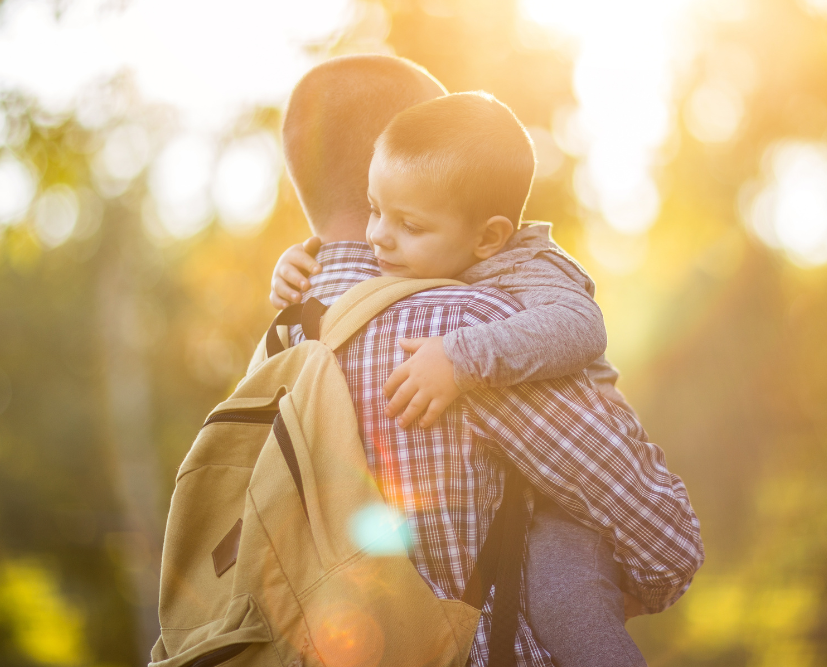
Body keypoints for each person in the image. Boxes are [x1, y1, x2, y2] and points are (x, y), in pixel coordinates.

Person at [269, 54, 703, 666]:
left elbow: (581, 325)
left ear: (486, 232)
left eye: (407, 221)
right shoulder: (455, 309)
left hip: (548, 525)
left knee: (570, 601)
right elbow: (665, 545)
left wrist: (460, 358)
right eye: (376, 211)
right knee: (566, 602)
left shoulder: (285, 340)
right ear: (382, 162)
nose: (380, 236)